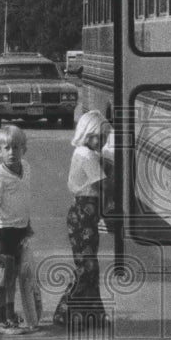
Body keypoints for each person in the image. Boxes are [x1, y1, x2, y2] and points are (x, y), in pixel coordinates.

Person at [53, 110, 113, 328]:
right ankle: (64, 310)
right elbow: (103, 184)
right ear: (88, 134)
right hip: (83, 216)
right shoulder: (86, 156)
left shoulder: (85, 153)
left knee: (90, 266)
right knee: (86, 267)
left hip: (86, 216)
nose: (104, 141)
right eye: (101, 136)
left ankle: (94, 315)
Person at [0, 125, 34, 334]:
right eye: (6, 148)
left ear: (24, 149)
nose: (11, 152)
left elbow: (24, 199)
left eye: (16, 147)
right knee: (0, 277)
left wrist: (28, 225)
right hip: (4, 231)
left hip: (20, 230)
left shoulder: (27, 168)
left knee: (13, 275)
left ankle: (10, 313)